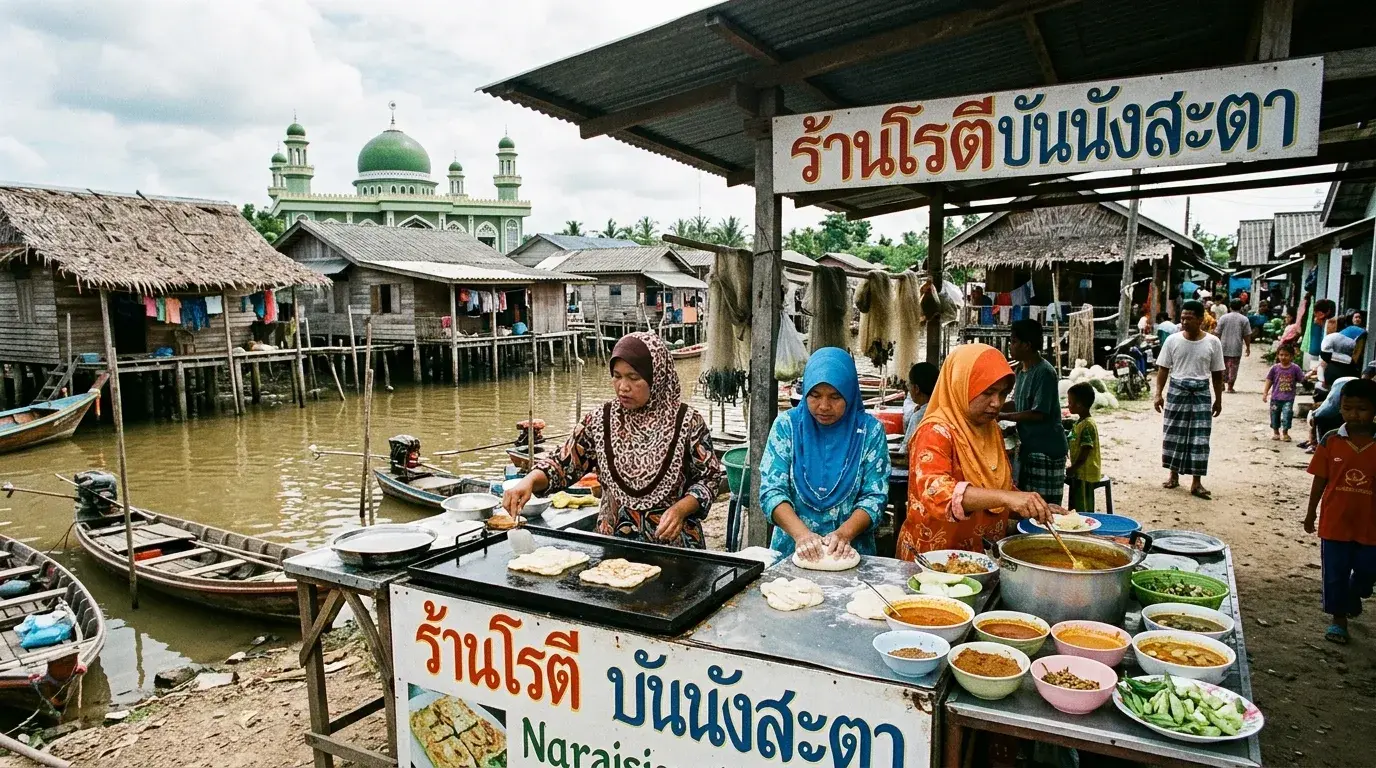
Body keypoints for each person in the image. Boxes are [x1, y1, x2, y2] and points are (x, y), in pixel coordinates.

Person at [502, 332, 722, 548]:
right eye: (616, 376)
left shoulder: (688, 422)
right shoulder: (600, 420)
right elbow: (563, 464)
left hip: (675, 548)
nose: (623, 387)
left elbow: (709, 479)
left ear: (657, 376)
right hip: (613, 545)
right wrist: (529, 480)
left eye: (633, 377)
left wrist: (681, 509)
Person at [896, 344, 1056, 558]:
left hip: (980, 559)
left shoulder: (990, 430)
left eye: (1003, 393)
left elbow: (997, 486)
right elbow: (937, 493)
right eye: (988, 392)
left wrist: (1031, 507)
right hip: (934, 560)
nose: (996, 403)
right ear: (960, 385)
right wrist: (1007, 498)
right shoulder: (934, 431)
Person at [758, 348, 890, 560]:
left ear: (850, 393)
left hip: (849, 553)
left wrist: (843, 535)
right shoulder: (787, 427)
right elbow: (771, 491)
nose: (824, 406)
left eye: (835, 397)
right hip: (791, 551)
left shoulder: (870, 432)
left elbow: (875, 497)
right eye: (815, 395)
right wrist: (802, 536)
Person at [1304, 377, 1376, 645]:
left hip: (1371, 525)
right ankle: (1339, 620)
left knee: (1368, 571)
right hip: (1335, 523)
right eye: (1347, 408)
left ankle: (1357, 590)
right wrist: (1311, 512)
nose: (1354, 415)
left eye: (1362, 408)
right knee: (1334, 574)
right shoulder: (1331, 439)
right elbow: (1320, 479)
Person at [1154, 300, 1225, 500]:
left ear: (1201, 320)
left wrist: (1218, 400)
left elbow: (1217, 375)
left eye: (1189, 318)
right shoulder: (1172, 340)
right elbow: (1163, 369)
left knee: (1199, 439)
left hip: (1201, 391)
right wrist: (1158, 394)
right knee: (1173, 435)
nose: (1184, 321)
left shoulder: (1213, 342)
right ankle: (1173, 476)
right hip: (1177, 390)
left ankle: (1196, 482)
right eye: (1182, 317)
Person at [1004, 319, 1068, 505]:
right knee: (1029, 505)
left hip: (1046, 449)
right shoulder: (1021, 371)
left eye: (1014, 341)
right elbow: (1018, 403)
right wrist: (993, 408)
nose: (1011, 345)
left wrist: (1003, 416)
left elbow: (1038, 413)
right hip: (1030, 447)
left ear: (1027, 345)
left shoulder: (1044, 372)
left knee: (1044, 507)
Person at [1065, 383, 1102, 513]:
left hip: (1085, 473)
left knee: (1084, 506)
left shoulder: (1087, 425)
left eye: (1070, 402)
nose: (1068, 405)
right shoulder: (1079, 422)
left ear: (1079, 405)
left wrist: (1073, 468)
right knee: (1075, 504)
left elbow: (1085, 450)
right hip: (1079, 473)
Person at [1263, 345, 1304, 442]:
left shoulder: (1295, 368)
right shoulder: (1275, 368)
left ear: (1291, 356)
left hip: (1288, 399)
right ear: (1277, 355)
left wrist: (1307, 378)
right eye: (1281, 355)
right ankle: (1276, 432)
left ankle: (1285, 433)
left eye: (1286, 355)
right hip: (1275, 398)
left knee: (1287, 415)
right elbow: (1269, 380)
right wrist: (1265, 393)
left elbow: (1302, 379)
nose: (1283, 357)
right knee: (1274, 415)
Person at [1216, 299, 1252, 393]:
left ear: (1230, 307)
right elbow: (1247, 335)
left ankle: (1222, 384)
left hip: (1223, 347)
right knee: (1233, 368)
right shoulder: (1244, 319)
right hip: (1236, 347)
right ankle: (1230, 387)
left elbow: (1217, 332)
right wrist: (1248, 347)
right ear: (1241, 308)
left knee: (1222, 366)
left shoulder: (1223, 318)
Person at [903, 362, 939, 451]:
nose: (909, 390)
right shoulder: (943, 409)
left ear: (916, 389)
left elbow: (906, 450)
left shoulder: (919, 417)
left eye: (909, 385)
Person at [1307, 299, 1337, 371]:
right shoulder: (1323, 323)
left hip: (1323, 356)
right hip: (1319, 354)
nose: (1315, 317)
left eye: (1316, 313)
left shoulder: (1331, 324)